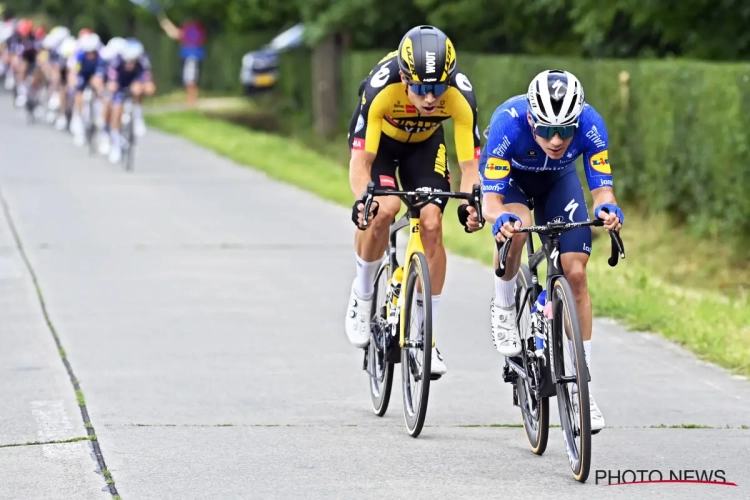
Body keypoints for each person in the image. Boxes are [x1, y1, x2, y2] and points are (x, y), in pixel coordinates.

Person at [479, 69, 624, 432]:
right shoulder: (507, 124)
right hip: (512, 181)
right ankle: (504, 303)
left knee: (575, 273)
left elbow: (602, 189)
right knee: (517, 230)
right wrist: (500, 219)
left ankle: (580, 391)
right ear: (532, 119)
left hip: (558, 182)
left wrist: (608, 208)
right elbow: (490, 202)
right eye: (546, 130)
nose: (557, 140)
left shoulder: (591, 124)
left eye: (565, 130)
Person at [346, 25, 483, 377]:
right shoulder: (381, 87)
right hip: (382, 147)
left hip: (424, 146)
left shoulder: (461, 95)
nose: (431, 98)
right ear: (405, 77)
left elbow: (471, 167)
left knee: (433, 222)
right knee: (384, 210)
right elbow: (361, 164)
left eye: (439, 88)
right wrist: (364, 199)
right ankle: (362, 295)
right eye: (421, 88)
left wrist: (473, 202)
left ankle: (427, 335)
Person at [105, 38, 156, 164]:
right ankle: (115, 143)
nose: (130, 64)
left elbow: (148, 79)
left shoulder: (143, 60)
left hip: (135, 81)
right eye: (128, 61)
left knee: (139, 89)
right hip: (120, 83)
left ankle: (138, 115)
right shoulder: (116, 60)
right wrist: (112, 85)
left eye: (133, 62)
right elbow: (111, 80)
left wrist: (147, 86)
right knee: (116, 109)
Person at [157, 13, 205, 108]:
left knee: (190, 80)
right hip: (193, 57)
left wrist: (166, 25)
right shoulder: (197, 28)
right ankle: (191, 102)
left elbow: (176, 34)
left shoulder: (192, 29)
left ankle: (191, 103)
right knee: (191, 80)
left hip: (191, 58)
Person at [68, 32, 105, 147]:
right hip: (83, 73)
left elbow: (101, 74)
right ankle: (79, 119)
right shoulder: (79, 55)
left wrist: (99, 86)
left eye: (92, 52)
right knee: (78, 94)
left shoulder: (101, 55)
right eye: (88, 52)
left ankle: (99, 115)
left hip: (95, 73)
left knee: (99, 86)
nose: (90, 55)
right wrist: (73, 81)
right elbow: (74, 71)